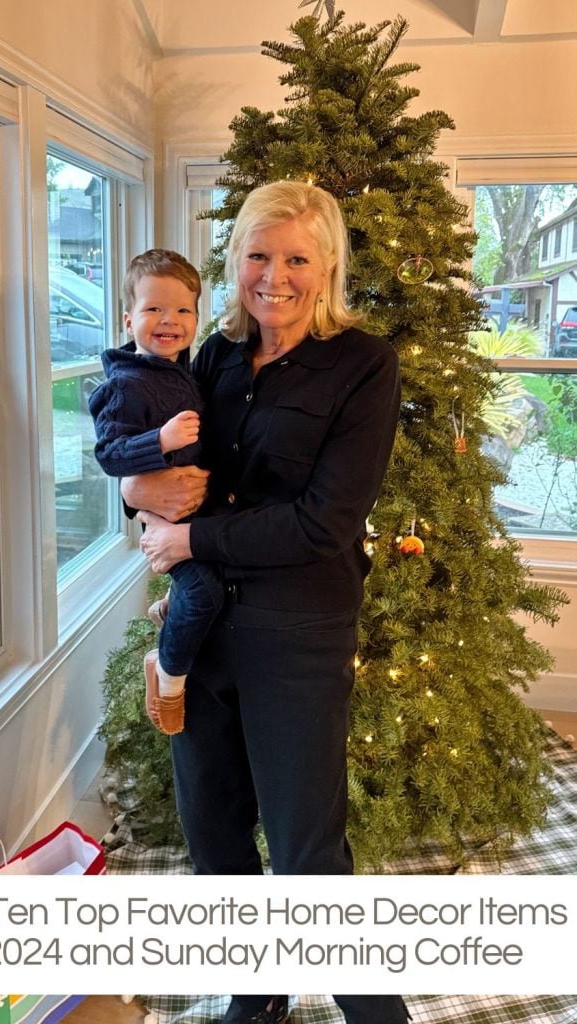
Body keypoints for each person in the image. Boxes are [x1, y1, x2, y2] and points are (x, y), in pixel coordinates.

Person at [123, 182, 409, 1024]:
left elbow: (326, 521)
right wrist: (149, 512)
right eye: (256, 254)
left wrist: (193, 542)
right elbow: (154, 480)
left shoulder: (364, 364)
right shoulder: (208, 358)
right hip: (205, 628)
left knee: (306, 853)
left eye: (294, 258)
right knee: (213, 833)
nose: (272, 276)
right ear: (234, 262)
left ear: (326, 269)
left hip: (298, 636)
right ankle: (257, 995)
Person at [88, 249, 223, 735]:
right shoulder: (127, 385)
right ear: (129, 319)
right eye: (153, 310)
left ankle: (169, 610)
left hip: (200, 517)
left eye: (183, 310)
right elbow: (109, 454)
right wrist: (159, 441)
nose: (169, 320)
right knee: (206, 592)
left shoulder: (184, 370)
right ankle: (166, 677)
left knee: (214, 582)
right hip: (172, 523)